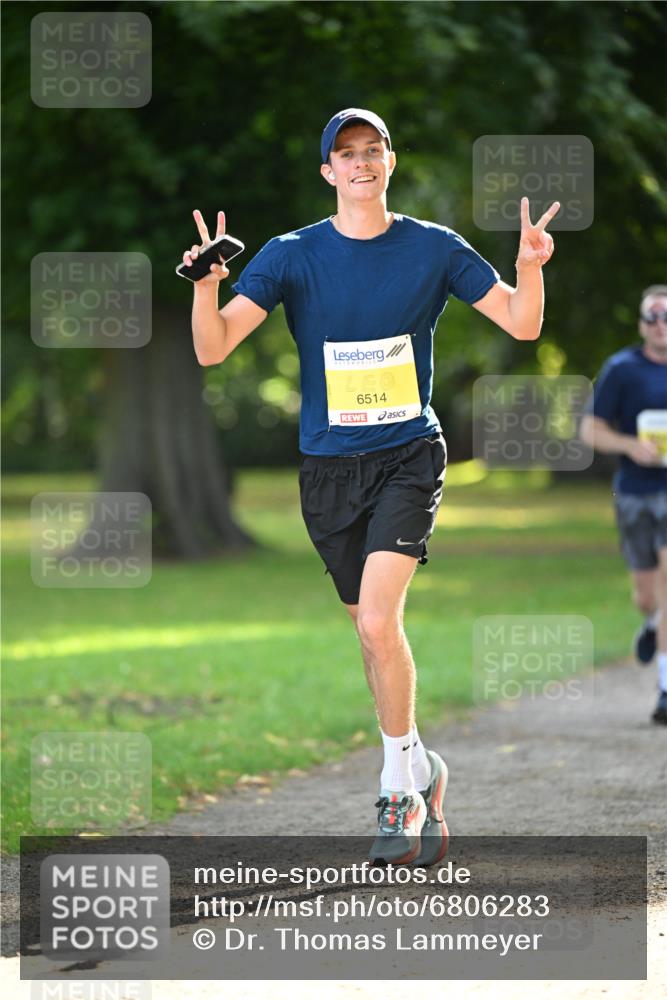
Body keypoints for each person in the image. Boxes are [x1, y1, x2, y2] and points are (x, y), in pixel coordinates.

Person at [185, 108, 558, 864]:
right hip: (328, 469)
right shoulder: (291, 255)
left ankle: (396, 790)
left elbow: (520, 326)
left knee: (378, 621)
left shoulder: (433, 248)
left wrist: (528, 266)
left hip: (407, 455)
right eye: (345, 154)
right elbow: (213, 346)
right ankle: (422, 763)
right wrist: (207, 283)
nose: (360, 163)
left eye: (372, 150)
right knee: (368, 630)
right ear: (327, 171)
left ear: (390, 161)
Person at [580, 285, 667, 725]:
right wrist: (631, 446)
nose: (660, 325)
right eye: (652, 317)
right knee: (648, 595)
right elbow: (590, 431)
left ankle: (666, 689)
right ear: (640, 324)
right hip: (634, 492)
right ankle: (653, 625)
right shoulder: (622, 369)